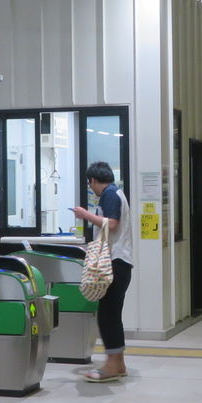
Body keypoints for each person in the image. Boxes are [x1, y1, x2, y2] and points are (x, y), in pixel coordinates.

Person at [72, 162, 132, 382]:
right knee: (112, 314)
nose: (91, 188)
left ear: (93, 181)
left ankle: (111, 365)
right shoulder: (117, 193)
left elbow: (112, 224)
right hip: (121, 263)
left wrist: (85, 214)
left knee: (107, 316)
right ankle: (118, 363)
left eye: (90, 184)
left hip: (114, 262)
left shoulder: (109, 194)